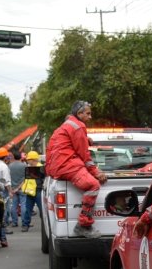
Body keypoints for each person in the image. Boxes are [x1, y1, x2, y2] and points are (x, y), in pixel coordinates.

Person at [46, 101, 107, 238]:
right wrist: (96, 173)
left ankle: (83, 224)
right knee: (93, 185)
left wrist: (84, 138)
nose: (90, 117)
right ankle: (84, 225)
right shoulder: (78, 127)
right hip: (67, 164)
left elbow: (67, 143)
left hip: (60, 166)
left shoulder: (68, 125)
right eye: (88, 113)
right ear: (79, 114)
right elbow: (85, 156)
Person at [20, 150, 45, 232]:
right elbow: (25, 180)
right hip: (30, 193)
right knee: (28, 210)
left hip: (38, 192)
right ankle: (25, 225)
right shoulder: (28, 168)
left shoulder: (41, 168)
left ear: (33, 159)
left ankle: (45, 225)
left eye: (29, 159)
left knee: (42, 210)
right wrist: (19, 188)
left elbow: (44, 180)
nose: (27, 160)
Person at [7, 150, 27, 229]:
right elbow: (26, 178)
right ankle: (24, 222)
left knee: (13, 206)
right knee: (23, 205)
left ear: (14, 157)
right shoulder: (24, 166)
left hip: (12, 189)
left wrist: (12, 189)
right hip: (22, 188)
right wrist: (19, 187)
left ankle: (14, 222)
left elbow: (8, 178)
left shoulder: (9, 166)